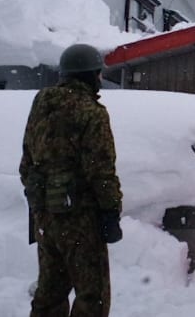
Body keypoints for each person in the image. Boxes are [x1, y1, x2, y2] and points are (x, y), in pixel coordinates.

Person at [20, 43, 124, 317]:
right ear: (90, 75)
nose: (100, 79)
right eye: (98, 73)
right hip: (80, 218)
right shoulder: (92, 112)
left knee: (50, 292)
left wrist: (42, 198)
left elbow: (27, 161)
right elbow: (101, 170)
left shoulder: (41, 104)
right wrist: (111, 211)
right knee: (93, 296)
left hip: (44, 217)